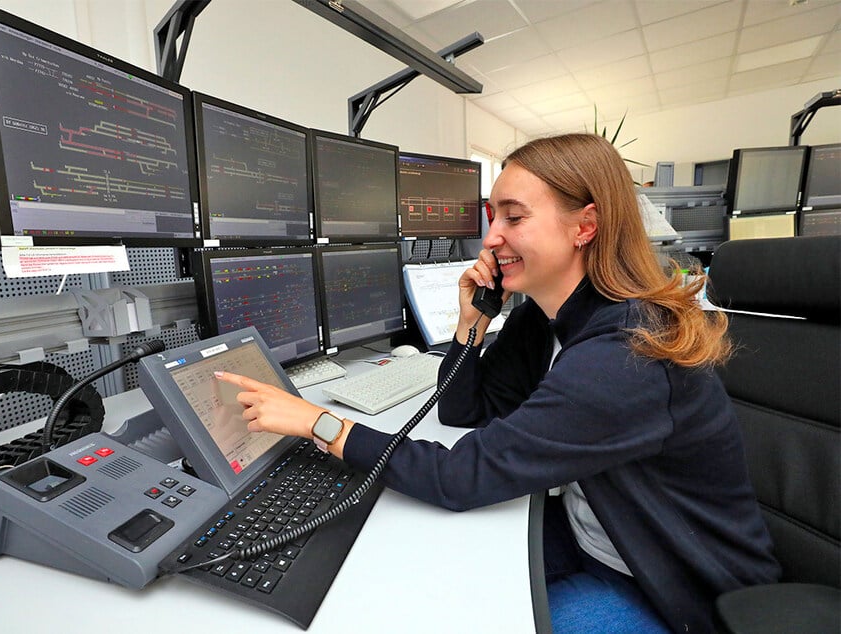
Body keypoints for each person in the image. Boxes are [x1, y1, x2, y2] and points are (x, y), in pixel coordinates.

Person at [214, 133, 780, 633]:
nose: (491, 239)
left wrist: (318, 421)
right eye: (492, 218)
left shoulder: (626, 354)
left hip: (671, 587)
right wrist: (471, 324)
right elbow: (467, 410)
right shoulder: (546, 315)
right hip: (604, 536)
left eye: (513, 217)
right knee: (429, 567)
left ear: (585, 225)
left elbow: (463, 476)